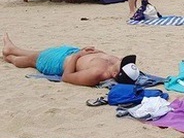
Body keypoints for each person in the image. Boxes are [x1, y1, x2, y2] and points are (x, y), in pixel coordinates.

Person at [2, 33, 139, 87]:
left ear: (115, 74)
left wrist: (77, 56)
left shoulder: (96, 73)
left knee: (32, 60)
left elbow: (66, 77)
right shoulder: (115, 62)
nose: (122, 60)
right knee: (38, 54)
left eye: (123, 63)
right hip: (72, 52)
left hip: (59, 63)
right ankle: (12, 49)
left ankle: (10, 58)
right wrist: (88, 51)